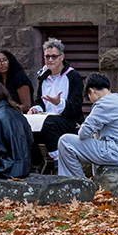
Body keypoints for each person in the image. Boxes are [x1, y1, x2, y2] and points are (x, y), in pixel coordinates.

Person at [56, 74, 118, 179]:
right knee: (97, 139)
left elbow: (83, 134)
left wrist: (85, 128)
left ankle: (78, 183)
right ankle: (96, 183)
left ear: (92, 91)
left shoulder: (103, 103)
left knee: (65, 141)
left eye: (89, 98)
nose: (91, 101)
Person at [29, 37, 83, 171]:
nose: (50, 60)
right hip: (48, 118)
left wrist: (60, 103)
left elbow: (76, 106)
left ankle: (58, 162)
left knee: (49, 123)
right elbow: (39, 101)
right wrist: (35, 109)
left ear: (62, 57)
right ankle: (33, 163)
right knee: (26, 122)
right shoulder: (43, 77)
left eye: (54, 56)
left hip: (70, 121)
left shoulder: (73, 76)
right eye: (47, 56)